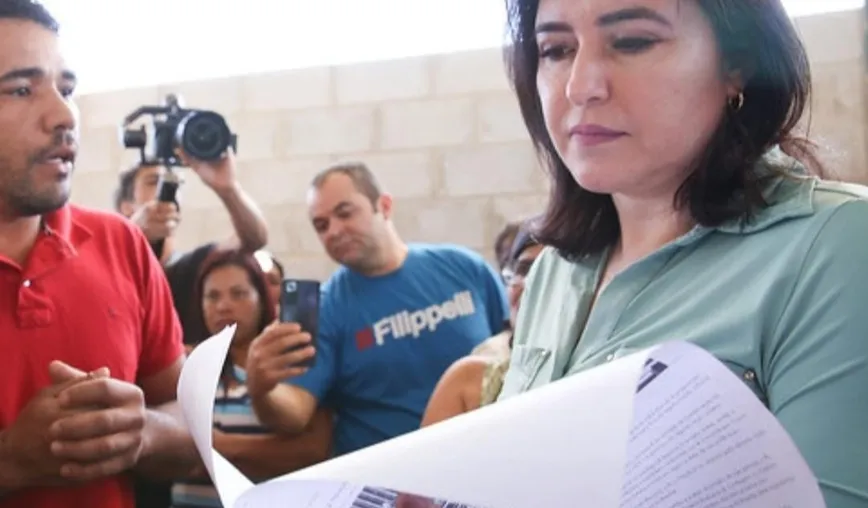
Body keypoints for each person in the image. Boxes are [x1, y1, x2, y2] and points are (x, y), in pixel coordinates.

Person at [495, 0, 868, 506]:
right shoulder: (554, 273)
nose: (580, 86)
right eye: (556, 49)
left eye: (631, 42)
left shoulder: (837, 245)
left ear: (738, 65)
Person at [0, 2, 200, 507]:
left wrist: (142, 433)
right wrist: (11, 463)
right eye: (21, 90)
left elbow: (190, 428)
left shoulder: (121, 243)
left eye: (66, 89)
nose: (65, 116)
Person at [244, 162, 510, 457]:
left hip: (483, 460)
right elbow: (295, 413)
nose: (333, 231)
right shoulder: (325, 308)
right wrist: (260, 389)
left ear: (383, 206)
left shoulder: (464, 267)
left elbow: (514, 350)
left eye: (345, 213)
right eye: (321, 225)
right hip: (386, 486)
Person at [171, 249, 331, 507]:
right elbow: (167, 454)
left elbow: (311, 451)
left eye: (239, 293)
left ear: (262, 298)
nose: (223, 305)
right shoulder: (185, 366)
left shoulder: (290, 363)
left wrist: (210, 446)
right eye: (212, 296)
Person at [113, 134, 268, 346]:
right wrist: (134, 234)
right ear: (126, 206)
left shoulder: (195, 266)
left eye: (175, 184)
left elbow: (254, 240)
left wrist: (228, 189)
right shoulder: (113, 267)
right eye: (153, 182)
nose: (167, 189)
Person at [422, 220, 542, 426]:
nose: (528, 284)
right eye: (522, 270)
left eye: (548, 272)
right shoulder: (470, 382)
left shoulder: (602, 371)